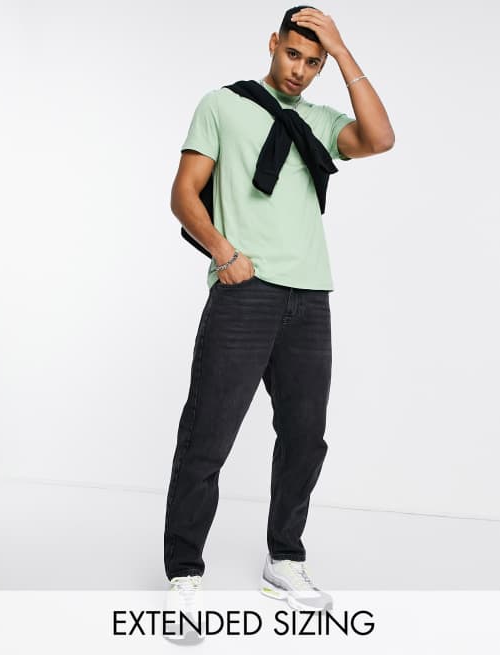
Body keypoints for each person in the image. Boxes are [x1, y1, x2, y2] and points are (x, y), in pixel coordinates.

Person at [163, 4, 394, 640]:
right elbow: (184, 193)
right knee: (207, 436)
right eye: (294, 54)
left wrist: (342, 51)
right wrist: (224, 254)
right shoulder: (222, 104)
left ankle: (284, 560)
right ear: (273, 44)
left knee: (304, 438)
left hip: (310, 297)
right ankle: (184, 575)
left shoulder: (322, 120)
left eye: (313, 62)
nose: (300, 70)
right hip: (245, 292)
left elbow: (380, 139)